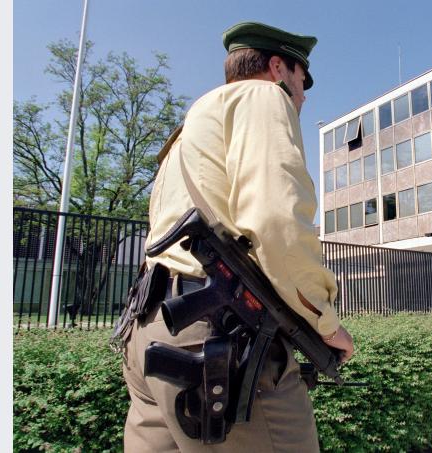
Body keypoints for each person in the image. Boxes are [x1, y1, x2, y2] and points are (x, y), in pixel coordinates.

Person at [119, 21, 354, 453]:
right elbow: (276, 222)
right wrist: (325, 320)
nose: (303, 95)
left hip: (148, 332)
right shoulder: (264, 97)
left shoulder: (192, 126)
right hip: (219, 338)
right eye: (304, 80)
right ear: (279, 68)